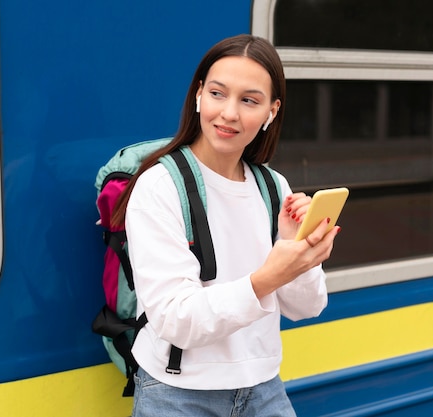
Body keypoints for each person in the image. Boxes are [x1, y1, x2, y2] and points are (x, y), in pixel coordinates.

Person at [111, 34, 341, 417]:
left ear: (272, 111)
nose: (229, 113)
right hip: (178, 394)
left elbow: (308, 307)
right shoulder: (160, 186)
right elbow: (175, 319)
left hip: (263, 387)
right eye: (218, 93)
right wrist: (267, 277)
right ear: (199, 94)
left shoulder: (273, 187)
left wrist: (298, 254)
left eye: (249, 100)